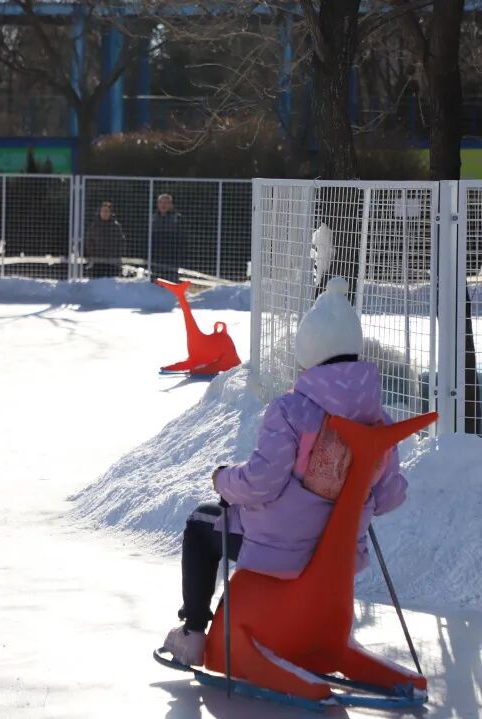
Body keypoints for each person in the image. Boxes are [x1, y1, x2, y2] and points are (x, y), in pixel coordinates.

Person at [162, 277, 409, 667]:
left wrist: (222, 478)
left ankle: (193, 633)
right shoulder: (378, 420)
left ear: (307, 351)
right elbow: (391, 497)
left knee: (199, 524)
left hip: (280, 550)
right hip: (339, 557)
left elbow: (261, 483)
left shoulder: (292, 410)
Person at [85, 201, 128, 278]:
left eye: (107, 211)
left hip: (113, 262)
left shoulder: (116, 226)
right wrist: (92, 255)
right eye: (102, 211)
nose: (104, 213)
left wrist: (118, 255)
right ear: (99, 212)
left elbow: (122, 242)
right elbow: (89, 242)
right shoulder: (94, 226)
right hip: (97, 262)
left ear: (110, 213)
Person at [150, 193, 185, 283]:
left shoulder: (177, 218)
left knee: (171, 281)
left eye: (166, 203)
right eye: (161, 202)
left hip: (172, 255)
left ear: (171, 204)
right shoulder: (153, 218)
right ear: (158, 204)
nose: (163, 205)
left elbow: (182, 237)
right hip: (156, 254)